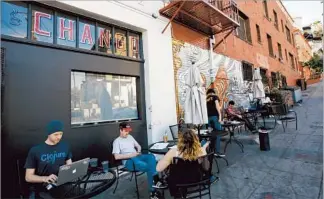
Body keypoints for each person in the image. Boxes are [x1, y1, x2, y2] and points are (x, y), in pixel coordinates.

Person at [112, 122, 166, 199]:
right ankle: (153, 188)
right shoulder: (117, 141)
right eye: (126, 131)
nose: (127, 132)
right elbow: (116, 157)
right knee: (148, 166)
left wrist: (139, 150)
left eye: (128, 131)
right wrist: (131, 155)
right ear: (121, 130)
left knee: (151, 156)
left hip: (137, 156)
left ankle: (154, 185)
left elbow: (138, 145)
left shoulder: (130, 137)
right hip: (129, 160)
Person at [156, 129, 213, 197]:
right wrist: (204, 152)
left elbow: (158, 169)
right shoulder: (201, 151)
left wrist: (164, 159)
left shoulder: (173, 152)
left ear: (180, 140)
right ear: (196, 140)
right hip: (195, 180)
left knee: (170, 170)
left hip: (178, 182)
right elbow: (206, 168)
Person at [24, 120, 73, 198]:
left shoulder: (65, 146)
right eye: (56, 134)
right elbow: (28, 177)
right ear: (48, 134)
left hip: (60, 185)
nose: (59, 137)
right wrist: (45, 178)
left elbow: (70, 166)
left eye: (61, 134)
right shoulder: (36, 150)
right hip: (42, 187)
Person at [206, 88, 225, 157]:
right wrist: (220, 116)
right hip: (215, 117)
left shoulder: (205, 99)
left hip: (207, 118)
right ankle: (217, 152)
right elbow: (218, 107)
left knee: (209, 134)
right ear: (213, 92)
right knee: (218, 134)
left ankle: (210, 151)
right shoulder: (215, 97)